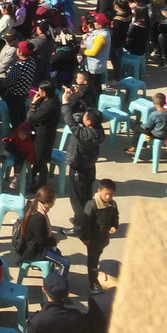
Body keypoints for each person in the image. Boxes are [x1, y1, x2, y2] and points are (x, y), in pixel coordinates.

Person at [58, 84, 105, 229]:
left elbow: (70, 122)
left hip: (79, 168)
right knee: (86, 196)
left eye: (85, 116)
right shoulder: (99, 130)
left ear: (88, 122)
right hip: (89, 167)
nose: (83, 114)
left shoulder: (84, 135)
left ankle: (79, 227)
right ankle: (85, 219)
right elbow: (91, 110)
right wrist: (81, 96)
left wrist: (65, 102)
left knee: (77, 199)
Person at [75, 179, 118, 293]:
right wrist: (85, 238)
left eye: (111, 194)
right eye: (106, 194)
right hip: (92, 240)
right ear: (99, 191)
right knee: (93, 262)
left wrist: (114, 226)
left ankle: (95, 279)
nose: (108, 197)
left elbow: (115, 217)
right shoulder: (92, 205)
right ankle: (93, 283)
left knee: (96, 258)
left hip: (103, 239)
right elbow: (85, 223)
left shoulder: (112, 205)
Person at [12, 186, 59, 262]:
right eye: (54, 200)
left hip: (33, 247)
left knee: (58, 253)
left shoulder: (35, 208)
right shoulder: (38, 218)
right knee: (65, 263)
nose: (54, 203)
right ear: (47, 202)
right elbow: (41, 240)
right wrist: (54, 240)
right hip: (34, 252)